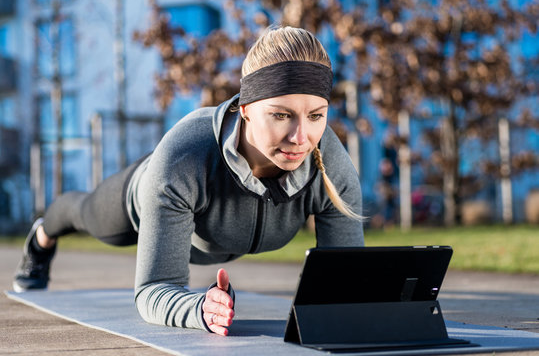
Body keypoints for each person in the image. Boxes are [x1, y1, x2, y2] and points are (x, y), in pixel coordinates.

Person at [13, 26, 364, 336]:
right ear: (245, 108)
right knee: (84, 212)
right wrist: (197, 309)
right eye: (281, 115)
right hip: (141, 199)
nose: (301, 137)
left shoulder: (331, 166)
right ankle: (42, 236)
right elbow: (154, 290)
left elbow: (349, 284)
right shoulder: (185, 156)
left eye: (316, 116)